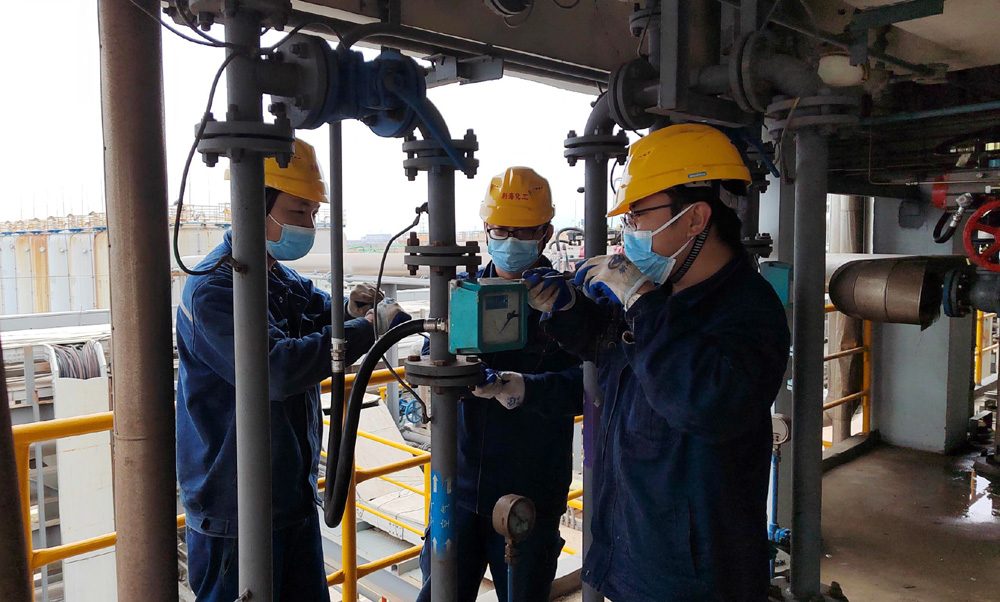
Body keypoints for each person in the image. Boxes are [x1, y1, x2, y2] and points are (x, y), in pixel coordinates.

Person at [523, 124, 791, 601]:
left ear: (695, 218)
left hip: (696, 574)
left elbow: (702, 403)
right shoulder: (661, 295)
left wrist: (640, 299)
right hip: (634, 548)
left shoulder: (749, 310)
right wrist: (566, 309)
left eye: (638, 216)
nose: (629, 232)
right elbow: (609, 349)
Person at [176, 138, 409, 602]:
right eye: (298, 211)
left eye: (313, 214)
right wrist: (368, 328)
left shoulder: (275, 276)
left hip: (290, 495)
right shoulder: (214, 291)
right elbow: (275, 369)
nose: (307, 225)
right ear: (253, 203)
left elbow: (322, 312)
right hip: (235, 508)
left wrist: (351, 310)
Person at [416, 167, 583, 602]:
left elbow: (589, 388)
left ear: (546, 233)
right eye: (501, 230)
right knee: (441, 593)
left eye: (523, 231)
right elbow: (433, 358)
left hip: (531, 490)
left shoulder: (570, 304)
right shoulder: (459, 292)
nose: (511, 241)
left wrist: (523, 387)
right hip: (460, 483)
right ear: (487, 231)